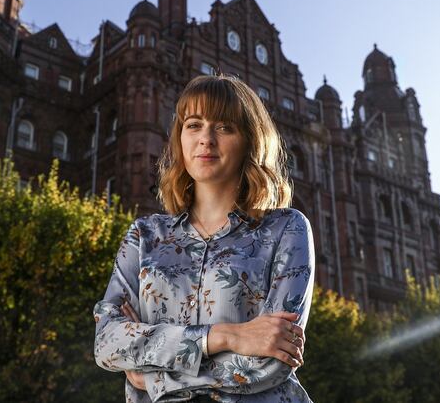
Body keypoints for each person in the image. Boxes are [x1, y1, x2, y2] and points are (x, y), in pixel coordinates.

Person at [94, 74, 315, 402]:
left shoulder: (286, 228)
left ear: (250, 140)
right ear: (180, 137)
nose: (206, 139)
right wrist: (227, 336)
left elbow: (271, 359)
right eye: (194, 124)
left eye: (225, 127)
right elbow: (108, 342)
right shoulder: (144, 236)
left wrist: (153, 377)